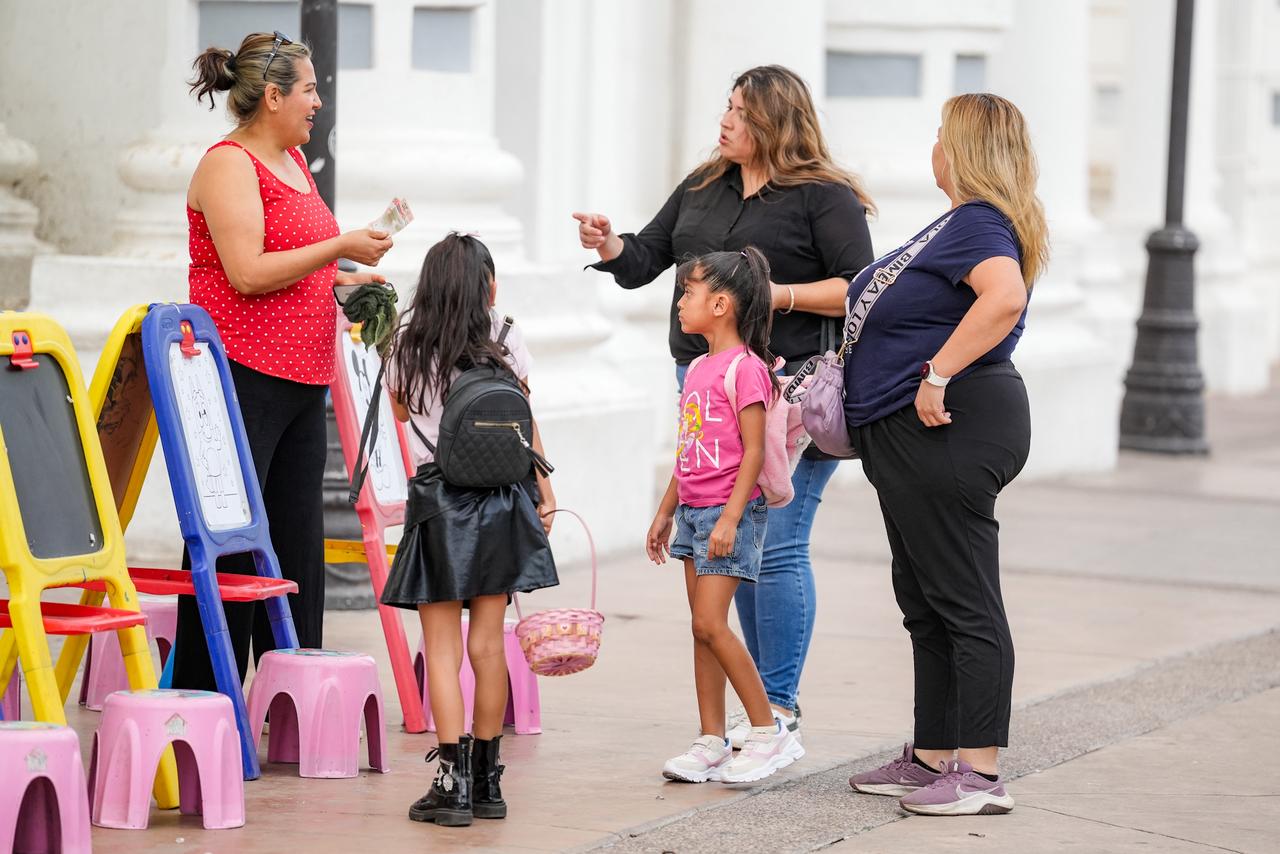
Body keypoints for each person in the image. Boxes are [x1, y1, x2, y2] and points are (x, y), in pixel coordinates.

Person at [577, 65, 874, 746]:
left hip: (789, 393)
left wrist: (776, 296)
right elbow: (646, 258)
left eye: (740, 111)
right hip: (702, 386)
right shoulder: (704, 184)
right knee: (728, 550)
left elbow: (858, 287)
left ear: (774, 121)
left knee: (778, 543)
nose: (725, 120)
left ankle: (778, 705)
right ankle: (754, 708)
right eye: (727, 106)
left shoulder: (823, 197)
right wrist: (609, 244)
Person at [839, 93, 1046, 816]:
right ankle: (932, 755)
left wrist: (936, 374)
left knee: (964, 599)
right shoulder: (957, 224)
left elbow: (1004, 298)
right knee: (924, 600)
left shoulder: (980, 223)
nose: (932, 148)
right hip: (912, 433)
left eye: (939, 136)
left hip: (950, 425)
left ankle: (981, 775)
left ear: (960, 151)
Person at [175, 32, 393, 688]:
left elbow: (295, 263)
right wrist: (339, 248)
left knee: (297, 545)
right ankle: (210, 693)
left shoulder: (294, 160)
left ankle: (293, 693)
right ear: (273, 97)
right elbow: (247, 272)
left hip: (303, 377)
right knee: (232, 540)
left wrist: (346, 278)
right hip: (241, 374)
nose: (318, 102)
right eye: (309, 90)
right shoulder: (228, 165)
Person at [380, 233, 559, 827]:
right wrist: (545, 489)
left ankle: (451, 787)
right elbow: (524, 417)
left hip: (439, 503)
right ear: (489, 287)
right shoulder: (506, 334)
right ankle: (487, 783)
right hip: (502, 501)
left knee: (442, 648)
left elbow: (401, 412)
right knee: (487, 646)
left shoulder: (406, 340)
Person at [646, 247, 805, 784]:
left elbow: (754, 451)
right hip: (693, 512)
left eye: (688, 293)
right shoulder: (697, 368)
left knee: (710, 624)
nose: (680, 303)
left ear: (720, 305)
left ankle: (768, 730)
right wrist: (665, 511)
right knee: (702, 629)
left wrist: (731, 519)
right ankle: (711, 740)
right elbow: (688, 448)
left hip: (725, 513)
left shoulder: (746, 369)